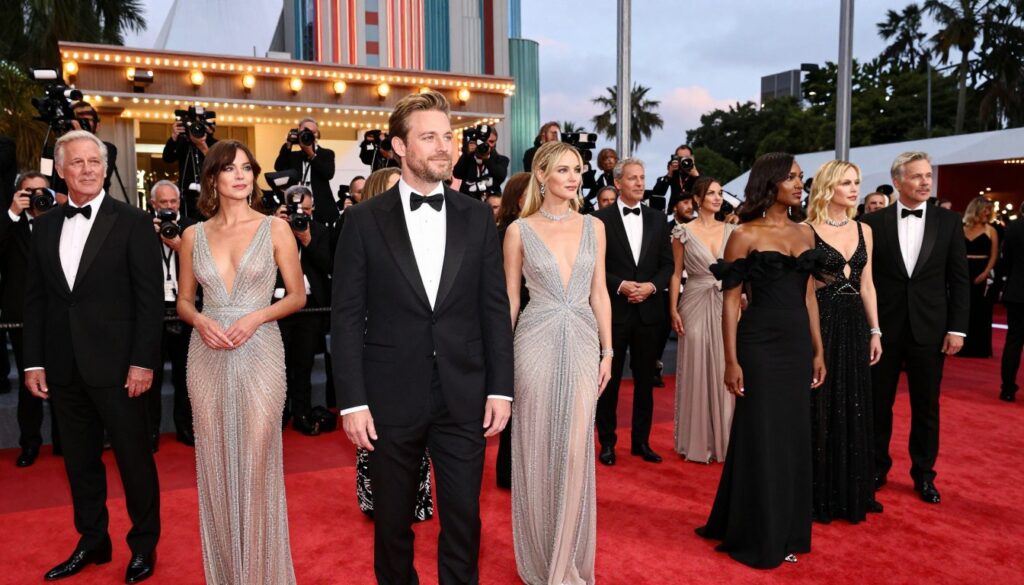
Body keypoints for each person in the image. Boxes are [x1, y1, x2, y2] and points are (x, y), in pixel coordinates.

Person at [332, 90, 513, 585]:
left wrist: (501, 387)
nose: (443, 147)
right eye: (429, 136)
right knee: (392, 523)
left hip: (464, 393)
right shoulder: (364, 221)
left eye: (448, 136)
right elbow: (346, 317)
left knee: (464, 519)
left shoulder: (477, 217)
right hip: (389, 397)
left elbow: (494, 308)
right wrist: (352, 402)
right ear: (399, 145)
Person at [24, 131, 162, 583]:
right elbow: (37, 300)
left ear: (105, 168)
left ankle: (143, 545)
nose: (86, 169)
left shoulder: (133, 221)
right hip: (64, 368)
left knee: (134, 461)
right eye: (76, 162)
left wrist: (143, 362)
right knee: (79, 463)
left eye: (93, 161)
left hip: (121, 369)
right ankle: (93, 540)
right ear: (60, 171)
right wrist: (34, 361)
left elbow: (149, 300)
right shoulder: (43, 225)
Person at [176, 140, 306, 583]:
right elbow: (184, 302)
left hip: (260, 349)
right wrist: (199, 322)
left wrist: (256, 316)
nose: (241, 176)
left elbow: (298, 296)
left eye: (247, 168)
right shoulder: (194, 235)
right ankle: (227, 573)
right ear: (212, 177)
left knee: (256, 457)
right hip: (207, 353)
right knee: (213, 460)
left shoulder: (275, 229)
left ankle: (263, 571)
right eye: (229, 169)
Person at [696, 152, 826, 568]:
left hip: (795, 346)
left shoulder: (806, 234)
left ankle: (786, 527)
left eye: (801, 178)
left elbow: (809, 296)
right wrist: (730, 361)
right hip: (758, 345)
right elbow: (730, 302)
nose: (798, 185)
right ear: (770, 184)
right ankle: (759, 532)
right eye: (791, 178)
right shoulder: (744, 235)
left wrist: (818, 349)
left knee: (790, 438)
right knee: (762, 436)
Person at [504, 140, 612, 585]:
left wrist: (608, 350)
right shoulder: (519, 230)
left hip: (585, 338)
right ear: (542, 174)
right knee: (536, 447)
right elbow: (511, 298)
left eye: (578, 170)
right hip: (535, 339)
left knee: (573, 448)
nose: (573, 177)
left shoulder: (594, 226)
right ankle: (541, 555)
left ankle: (565, 564)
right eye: (564, 170)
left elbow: (599, 292)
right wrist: (498, 363)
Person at [860, 151, 969, 505]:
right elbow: (867, 280)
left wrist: (958, 328)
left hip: (931, 328)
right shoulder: (873, 224)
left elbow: (959, 280)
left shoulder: (949, 222)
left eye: (928, 176)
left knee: (927, 406)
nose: (925, 182)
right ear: (897, 181)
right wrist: (869, 328)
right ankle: (877, 468)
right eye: (917, 176)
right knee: (878, 403)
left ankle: (924, 474)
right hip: (884, 329)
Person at [349, 166, 434, 520]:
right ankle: (378, 499)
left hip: (423, 355)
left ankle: (419, 499)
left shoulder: (428, 230)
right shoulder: (361, 228)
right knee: (379, 435)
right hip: (378, 352)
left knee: (422, 435)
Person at [804, 160, 884, 524]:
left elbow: (867, 285)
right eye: (847, 183)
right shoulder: (806, 230)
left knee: (852, 402)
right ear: (828, 187)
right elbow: (803, 289)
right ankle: (816, 492)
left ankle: (850, 490)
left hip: (854, 326)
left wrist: (875, 330)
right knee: (820, 403)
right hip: (821, 323)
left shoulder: (865, 230)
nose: (855, 189)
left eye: (857, 182)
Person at [592, 158, 673, 465]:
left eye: (642, 177)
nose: (640, 183)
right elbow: (595, 266)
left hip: (650, 313)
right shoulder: (600, 220)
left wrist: (652, 286)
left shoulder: (656, 218)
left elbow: (668, 264)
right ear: (618, 183)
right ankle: (607, 443)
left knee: (645, 383)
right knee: (608, 383)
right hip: (613, 312)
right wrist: (622, 284)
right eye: (633, 178)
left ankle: (641, 442)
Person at [668, 177, 736, 463]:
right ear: (697, 199)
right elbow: (675, 273)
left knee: (725, 365)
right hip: (694, 299)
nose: (717, 198)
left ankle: (727, 439)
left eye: (720, 193)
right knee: (695, 365)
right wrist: (673, 309)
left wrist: (741, 299)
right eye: (711, 193)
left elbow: (738, 271)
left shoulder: (733, 231)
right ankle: (697, 442)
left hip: (725, 302)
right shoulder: (682, 232)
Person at [1, 172, 62, 466]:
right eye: (29, 191)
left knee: (66, 379)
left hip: (63, 314)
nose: (37, 196)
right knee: (30, 382)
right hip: (23, 316)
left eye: (42, 191)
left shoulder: (63, 221)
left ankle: (66, 442)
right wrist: (12, 213)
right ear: (18, 194)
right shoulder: (11, 225)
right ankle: (29, 443)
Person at [273, 185, 333, 435]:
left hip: (309, 307)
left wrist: (306, 239)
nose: (303, 216)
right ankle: (278, 415)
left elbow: (329, 265)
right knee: (277, 366)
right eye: (299, 210)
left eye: (307, 210)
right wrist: (274, 226)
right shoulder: (272, 229)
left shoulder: (318, 230)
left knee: (304, 364)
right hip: (278, 306)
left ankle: (302, 413)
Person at [148, 180, 199, 448]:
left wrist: (181, 246)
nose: (169, 207)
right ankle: (150, 432)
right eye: (163, 203)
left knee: (185, 374)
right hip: (153, 309)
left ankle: (185, 427)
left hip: (186, 306)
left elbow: (207, 265)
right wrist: (150, 235)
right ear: (153, 204)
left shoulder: (193, 227)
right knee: (150, 374)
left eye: (173, 202)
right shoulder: (143, 228)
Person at [494, 171, 531, 489]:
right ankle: (508, 470)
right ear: (519, 198)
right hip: (516, 323)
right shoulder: (505, 232)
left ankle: (521, 469)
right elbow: (505, 290)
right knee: (513, 398)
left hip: (540, 322)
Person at [274, 117, 338, 224]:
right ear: (298, 133)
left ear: (317, 135)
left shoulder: (327, 154)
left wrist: (311, 154)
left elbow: (328, 174)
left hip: (321, 209)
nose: (309, 135)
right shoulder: (293, 156)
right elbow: (278, 167)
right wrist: (289, 144)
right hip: (297, 205)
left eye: (313, 132)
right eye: (305, 131)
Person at [960, 197, 998, 358]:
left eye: (989, 210)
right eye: (985, 209)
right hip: (962, 271)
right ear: (976, 210)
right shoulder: (961, 229)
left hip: (982, 272)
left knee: (981, 310)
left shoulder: (991, 230)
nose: (988, 213)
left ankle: (980, 348)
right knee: (962, 309)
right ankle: (960, 346)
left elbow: (994, 256)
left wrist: (985, 273)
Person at [162, 113, 217, 219]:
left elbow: (217, 165)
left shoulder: (214, 144)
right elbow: (167, 158)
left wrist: (202, 145)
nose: (196, 130)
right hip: (186, 198)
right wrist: (174, 138)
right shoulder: (183, 143)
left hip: (209, 196)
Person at [1000, 216, 1024, 401]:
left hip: (1016, 291)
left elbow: (1006, 259)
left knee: (1013, 341)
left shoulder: (1014, 227)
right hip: (1016, 290)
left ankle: (1007, 389)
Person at [454, 126, 510, 198]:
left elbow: (500, 176)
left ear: (495, 142)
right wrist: (466, 154)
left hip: (490, 204)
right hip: (468, 203)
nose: (486, 145)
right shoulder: (468, 159)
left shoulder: (502, 160)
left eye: (491, 142)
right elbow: (457, 174)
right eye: (483, 141)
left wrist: (486, 158)